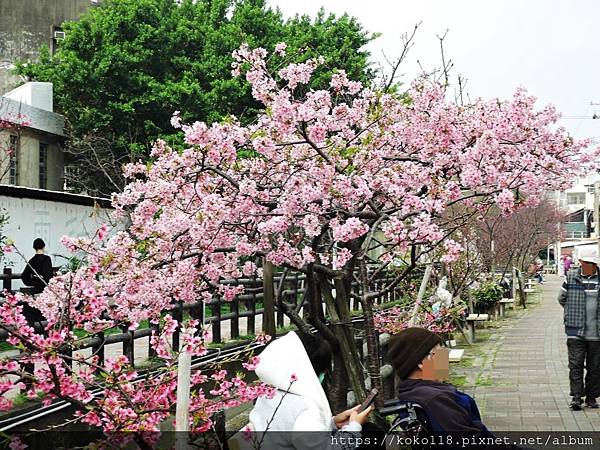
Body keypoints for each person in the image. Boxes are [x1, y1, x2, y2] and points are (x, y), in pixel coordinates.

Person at [238, 331, 372, 449]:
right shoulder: (306, 410)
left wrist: (332, 423)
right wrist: (354, 427)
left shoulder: (269, 394)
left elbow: (293, 433)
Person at [558, 254, 600, 410]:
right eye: (585, 262)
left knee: (595, 367)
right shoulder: (571, 277)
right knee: (575, 365)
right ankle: (576, 397)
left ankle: (591, 397)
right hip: (575, 331)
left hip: (597, 333)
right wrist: (572, 312)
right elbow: (561, 298)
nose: (587, 266)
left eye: (591, 263)